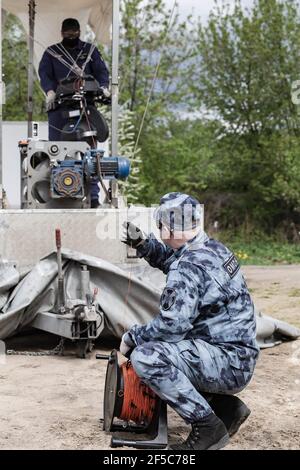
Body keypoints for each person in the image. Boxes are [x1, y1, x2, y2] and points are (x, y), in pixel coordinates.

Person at [121, 192, 259, 450]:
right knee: (174, 349)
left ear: (168, 227)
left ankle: (207, 427)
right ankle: (226, 409)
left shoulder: (189, 266)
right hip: (237, 355)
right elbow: (176, 261)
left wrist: (132, 338)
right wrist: (144, 245)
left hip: (228, 362)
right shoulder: (211, 248)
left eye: (160, 225)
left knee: (147, 357)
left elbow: (170, 328)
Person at [38, 18, 110, 207]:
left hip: (85, 107)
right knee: (57, 151)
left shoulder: (89, 51)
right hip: (60, 109)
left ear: (80, 31)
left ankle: (93, 197)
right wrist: (50, 91)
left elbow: (102, 72)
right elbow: (44, 74)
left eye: (74, 32)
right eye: (68, 33)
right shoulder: (52, 52)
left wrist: (103, 87)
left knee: (91, 153)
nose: (71, 36)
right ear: (62, 33)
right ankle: (61, 194)